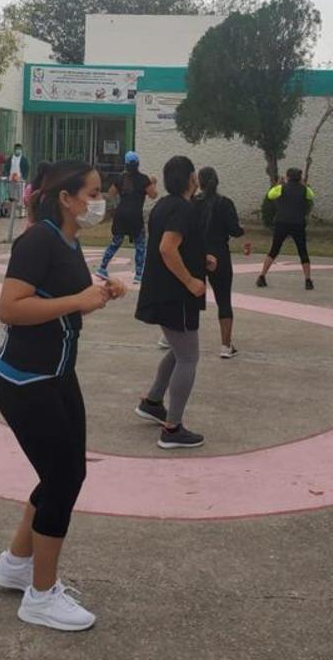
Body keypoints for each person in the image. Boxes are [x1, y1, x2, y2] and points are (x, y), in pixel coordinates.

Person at [0, 160, 123, 631]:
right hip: (26, 380)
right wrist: (79, 301)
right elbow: (10, 308)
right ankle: (41, 596)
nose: (98, 201)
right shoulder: (38, 239)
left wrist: (102, 291)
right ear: (66, 198)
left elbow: (67, 293)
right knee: (63, 479)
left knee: (63, 472)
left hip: (58, 373)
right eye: (92, 192)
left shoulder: (67, 238)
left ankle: (16, 564)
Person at [134, 155, 214, 449]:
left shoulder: (162, 206)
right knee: (189, 356)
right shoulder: (183, 208)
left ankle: (153, 401)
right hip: (176, 294)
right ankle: (172, 428)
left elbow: (173, 246)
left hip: (160, 290)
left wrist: (200, 259)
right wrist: (191, 281)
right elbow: (168, 249)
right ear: (191, 178)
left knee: (180, 350)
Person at [195, 166, 246, 358]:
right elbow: (235, 230)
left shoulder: (193, 203)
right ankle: (226, 345)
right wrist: (241, 229)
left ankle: (173, 337)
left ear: (199, 182)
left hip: (197, 254)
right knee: (223, 299)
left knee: (189, 297)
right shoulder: (225, 203)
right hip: (220, 254)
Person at [97, 151, 157, 283]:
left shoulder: (120, 178)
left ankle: (102, 267)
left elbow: (111, 194)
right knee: (140, 244)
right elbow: (153, 195)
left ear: (125, 164)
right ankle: (139, 274)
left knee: (116, 242)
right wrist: (154, 183)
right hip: (135, 216)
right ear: (138, 164)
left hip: (121, 214)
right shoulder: (143, 179)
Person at [256, 167, 315, 290]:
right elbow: (311, 196)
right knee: (302, 251)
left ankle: (262, 276)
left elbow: (270, 195)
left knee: (274, 249)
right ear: (300, 178)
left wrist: (278, 184)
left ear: (287, 177)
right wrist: (305, 185)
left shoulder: (281, 188)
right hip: (298, 223)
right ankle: (308, 280)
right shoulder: (304, 190)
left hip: (282, 222)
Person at [4, 142, 30, 216]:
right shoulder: (10, 159)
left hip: (20, 180)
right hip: (11, 179)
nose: (18, 150)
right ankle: (10, 212)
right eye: (17, 149)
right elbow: (6, 168)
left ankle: (21, 212)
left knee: (21, 195)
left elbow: (27, 168)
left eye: (19, 149)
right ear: (14, 150)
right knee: (11, 196)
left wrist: (24, 177)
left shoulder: (24, 159)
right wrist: (7, 175)